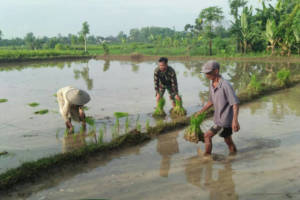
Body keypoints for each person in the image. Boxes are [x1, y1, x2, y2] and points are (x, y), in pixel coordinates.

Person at [196, 61, 240, 157]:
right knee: (227, 140)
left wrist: (235, 121)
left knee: (208, 136)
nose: (206, 75)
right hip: (218, 119)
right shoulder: (212, 84)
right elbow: (210, 101)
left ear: (216, 71)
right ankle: (234, 157)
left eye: (208, 73)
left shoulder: (225, 85)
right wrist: (201, 111)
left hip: (225, 120)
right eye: (205, 73)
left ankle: (207, 157)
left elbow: (235, 103)